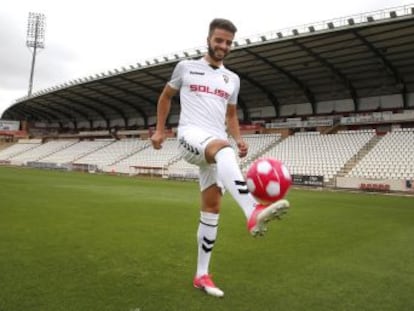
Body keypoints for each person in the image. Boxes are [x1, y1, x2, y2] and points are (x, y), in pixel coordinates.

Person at [150, 18, 290, 298]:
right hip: (190, 136)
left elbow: (230, 115)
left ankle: (202, 275)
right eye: (219, 40)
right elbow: (166, 97)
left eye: (228, 42)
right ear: (209, 39)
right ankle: (252, 210)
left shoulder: (232, 79)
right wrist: (159, 130)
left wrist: (238, 138)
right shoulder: (186, 67)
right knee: (223, 150)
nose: (223, 46)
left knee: (212, 210)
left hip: (217, 144)